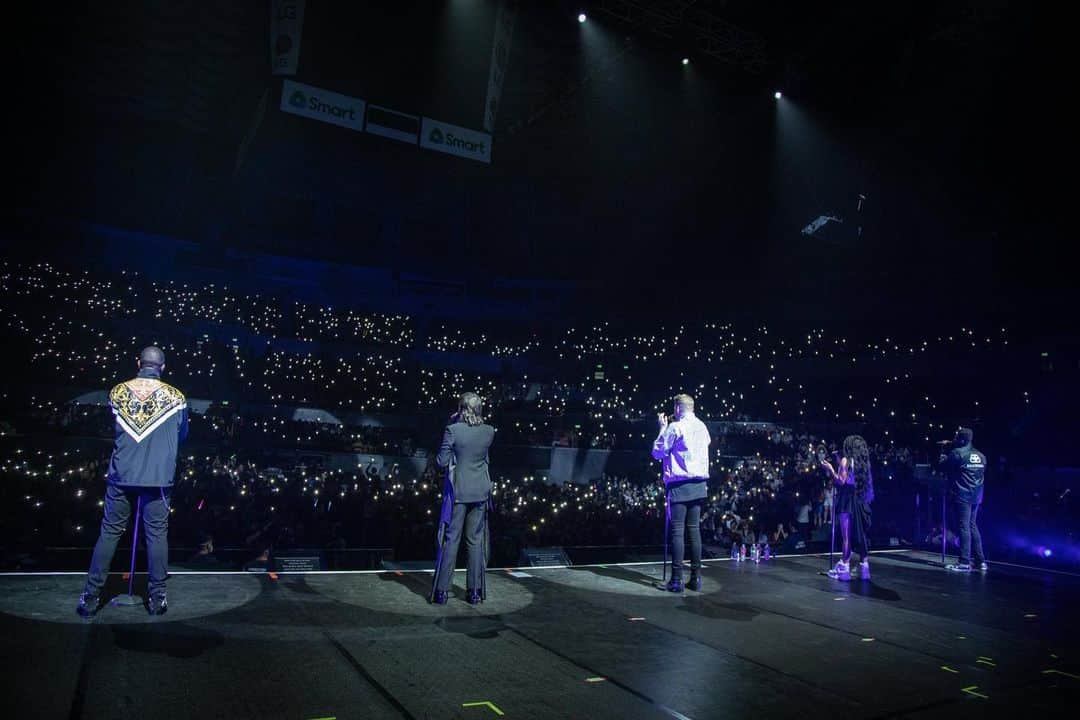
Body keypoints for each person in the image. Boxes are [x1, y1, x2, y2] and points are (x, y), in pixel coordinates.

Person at [77, 346, 188, 617]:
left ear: (138, 363)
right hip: (159, 478)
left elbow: (114, 427)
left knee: (110, 533)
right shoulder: (177, 397)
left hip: (122, 475)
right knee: (157, 535)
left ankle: (90, 599)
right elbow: (182, 434)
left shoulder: (117, 392)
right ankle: (157, 599)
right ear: (163, 366)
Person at [431, 392, 496, 605]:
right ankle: (474, 592)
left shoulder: (453, 430)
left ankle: (441, 591)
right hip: (480, 492)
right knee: (475, 542)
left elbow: (441, 462)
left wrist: (453, 424)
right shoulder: (489, 432)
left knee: (451, 540)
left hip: (459, 492)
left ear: (461, 409)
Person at [652, 394, 711, 593]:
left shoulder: (675, 427)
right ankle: (696, 578)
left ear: (677, 408)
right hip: (699, 483)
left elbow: (658, 452)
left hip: (679, 484)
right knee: (694, 530)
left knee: (677, 531)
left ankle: (676, 581)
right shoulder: (702, 427)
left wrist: (662, 428)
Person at [820, 435, 874, 580]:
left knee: (846, 537)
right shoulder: (863, 463)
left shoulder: (846, 461)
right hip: (861, 501)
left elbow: (841, 482)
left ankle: (844, 567)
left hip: (847, 501)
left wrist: (831, 469)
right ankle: (864, 567)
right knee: (861, 535)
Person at [938, 427, 987, 572]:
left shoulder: (957, 453)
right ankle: (981, 561)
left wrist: (942, 454)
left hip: (962, 495)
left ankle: (964, 562)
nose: (955, 440)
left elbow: (943, 467)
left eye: (957, 437)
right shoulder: (982, 455)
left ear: (962, 439)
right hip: (976, 495)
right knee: (972, 526)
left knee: (964, 527)